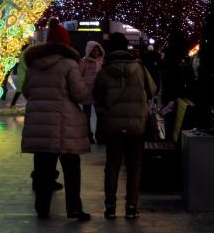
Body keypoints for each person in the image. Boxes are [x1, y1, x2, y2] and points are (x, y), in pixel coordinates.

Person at [21, 26, 91, 221]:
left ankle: (42, 209)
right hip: (65, 124)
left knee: (43, 170)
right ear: (65, 42)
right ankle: (74, 208)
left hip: (40, 125)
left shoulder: (34, 64)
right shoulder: (69, 64)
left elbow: (27, 91)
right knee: (71, 169)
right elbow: (79, 93)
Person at [93, 32, 157, 220]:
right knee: (134, 166)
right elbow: (152, 90)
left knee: (112, 165)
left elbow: (97, 95)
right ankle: (131, 206)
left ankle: (110, 208)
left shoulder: (105, 71)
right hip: (137, 124)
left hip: (112, 125)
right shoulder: (139, 68)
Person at [79, 41, 105, 144]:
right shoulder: (84, 61)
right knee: (86, 116)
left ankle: (100, 135)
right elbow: (80, 74)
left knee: (100, 115)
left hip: (99, 91)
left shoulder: (102, 61)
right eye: (94, 49)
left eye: (97, 49)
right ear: (89, 50)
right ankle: (88, 136)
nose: (96, 51)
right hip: (87, 92)